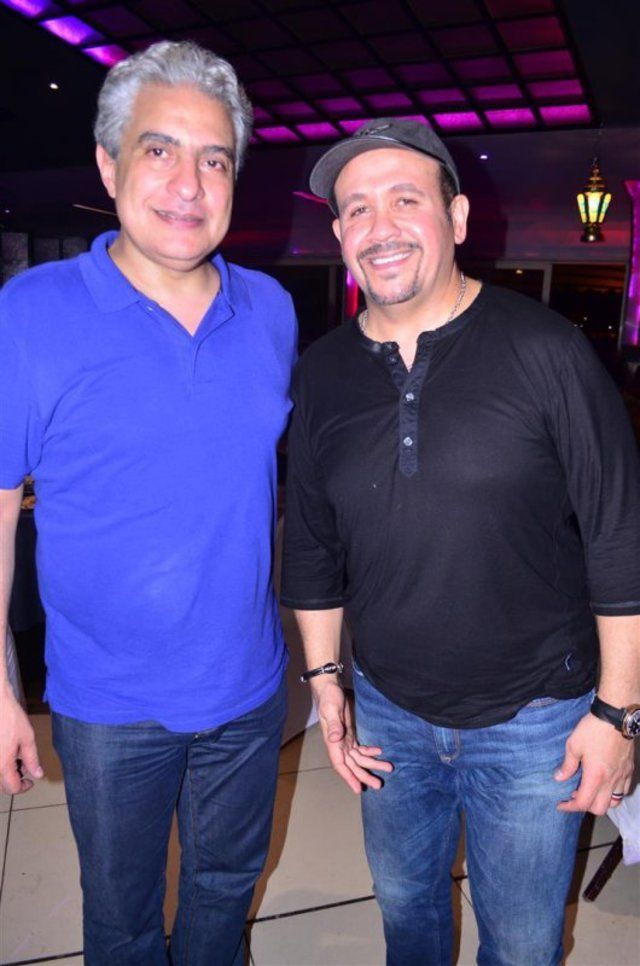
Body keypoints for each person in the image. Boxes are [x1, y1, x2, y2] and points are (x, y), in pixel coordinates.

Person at [281, 118, 640, 965]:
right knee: (407, 914)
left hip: (535, 719)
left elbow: (619, 535)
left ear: (458, 217)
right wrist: (327, 683)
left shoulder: (547, 350)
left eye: (405, 200)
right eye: (357, 208)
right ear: (339, 234)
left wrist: (620, 713)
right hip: (388, 712)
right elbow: (314, 545)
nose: (380, 226)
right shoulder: (323, 371)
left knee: (521, 942)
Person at [0, 41, 297, 965]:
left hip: (249, 689)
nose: (188, 185)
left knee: (224, 893)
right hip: (108, 705)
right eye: (159, 150)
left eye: (215, 160)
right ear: (108, 165)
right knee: (123, 921)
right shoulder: (29, 313)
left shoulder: (272, 310)